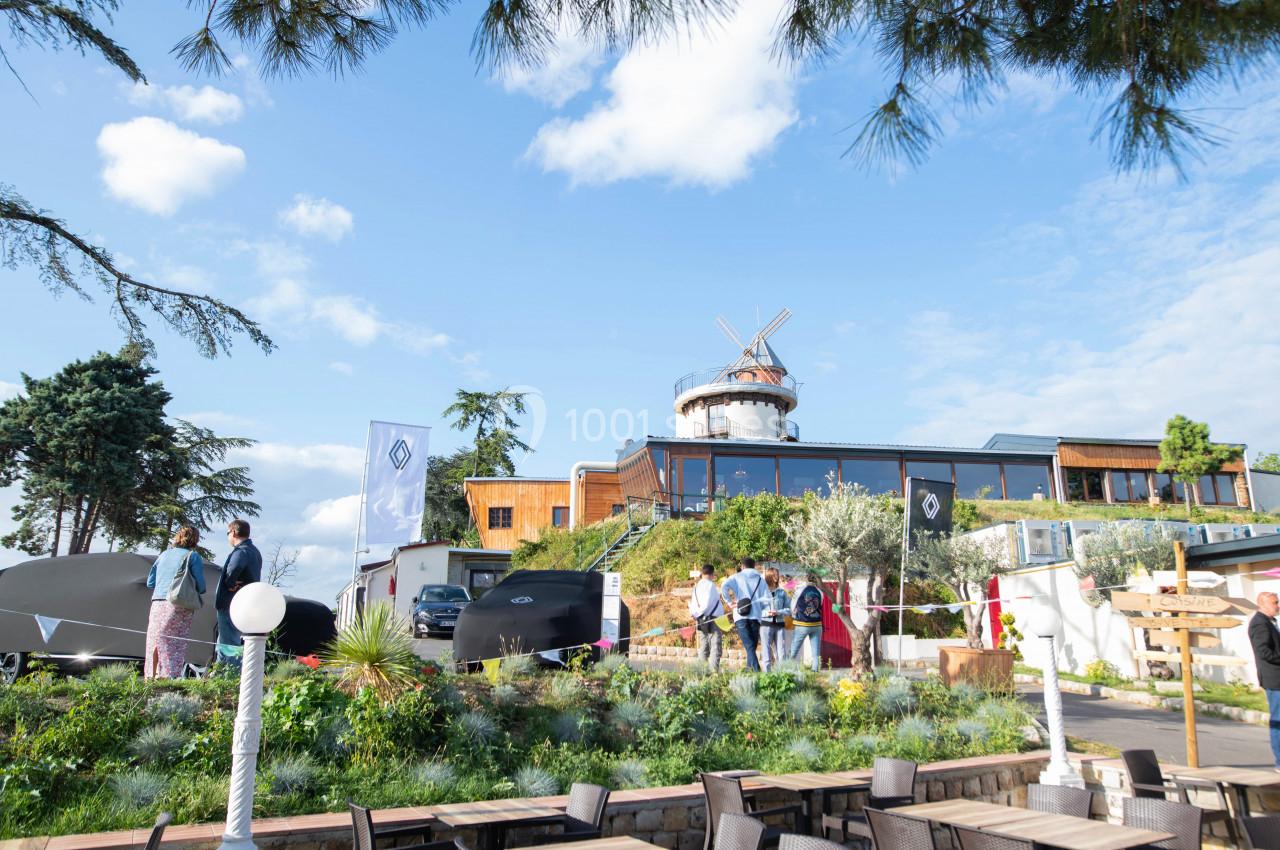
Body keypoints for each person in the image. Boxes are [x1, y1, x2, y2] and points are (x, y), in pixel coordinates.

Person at [144, 526, 207, 679]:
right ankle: (168, 678)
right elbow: (202, 587)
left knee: (154, 640)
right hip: (179, 603)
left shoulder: (164, 555)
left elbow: (150, 582)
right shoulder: (193, 557)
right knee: (174, 643)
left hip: (157, 602)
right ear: (195, 540)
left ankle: (150, 676)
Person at [215, 518, 263, 669]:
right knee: (226, 643)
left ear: (234, 532)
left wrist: (229, 583)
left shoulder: (242, 551)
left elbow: (233, 569)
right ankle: (222, 672)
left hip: (231, 603)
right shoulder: (254, 551)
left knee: (229, 645)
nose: (228, 536)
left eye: (228, 533)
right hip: (244, 603)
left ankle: (229, 676)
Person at [720, 557, 771, 672]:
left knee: (749, 647)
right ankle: (753, 671)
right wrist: (762, 609)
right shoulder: (760, 579)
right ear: (754, 566)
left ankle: (753, 671)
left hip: (740, 615)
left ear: (742, 566)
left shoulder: (737, 577)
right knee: (751, 646)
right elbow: (767, 598)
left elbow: (724, 586)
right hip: (755, 616)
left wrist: (729, 602)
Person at [1249, 590, 1280, 769]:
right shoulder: (1259, 624)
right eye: (1274, 603)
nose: (1278, 606)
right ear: (1262, 604)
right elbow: (1264, 652)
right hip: (1274, 679)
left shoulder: (1269, 622)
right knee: (1278, 720)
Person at [688, 563, 726, 671]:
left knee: (703, 647)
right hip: (714, 619)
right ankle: (713, 672)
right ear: (712, 574)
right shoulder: (710, 585)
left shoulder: (696, 587)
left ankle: (701, 671)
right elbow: (707, 604)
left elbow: (694, 604)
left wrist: (695, 614)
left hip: (700, 620)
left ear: (702, 573)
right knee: (715, 647)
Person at [790, 574, 824, 672]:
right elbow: (820, 605)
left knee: (794, 650)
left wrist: (794, 616)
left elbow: (792, 606)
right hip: (817, 625)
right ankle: (815, 671)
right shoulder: (820, 592)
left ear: (806, 579)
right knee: (816, 653)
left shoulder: (799, 590)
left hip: (802, 624)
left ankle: (787, 669)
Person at [761, 568, 790, 672]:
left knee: (781, 651)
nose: (777, 577)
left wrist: (779, 612)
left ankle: (782, 674)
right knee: (766, 650)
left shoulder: (782, 593)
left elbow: (789, 609)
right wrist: (766, 613)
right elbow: (756, 610)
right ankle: (767, 675)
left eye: (777, 575)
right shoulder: (762, 593)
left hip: (779, 624)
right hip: (765, 624)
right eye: (774, 575)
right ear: (769, 576)